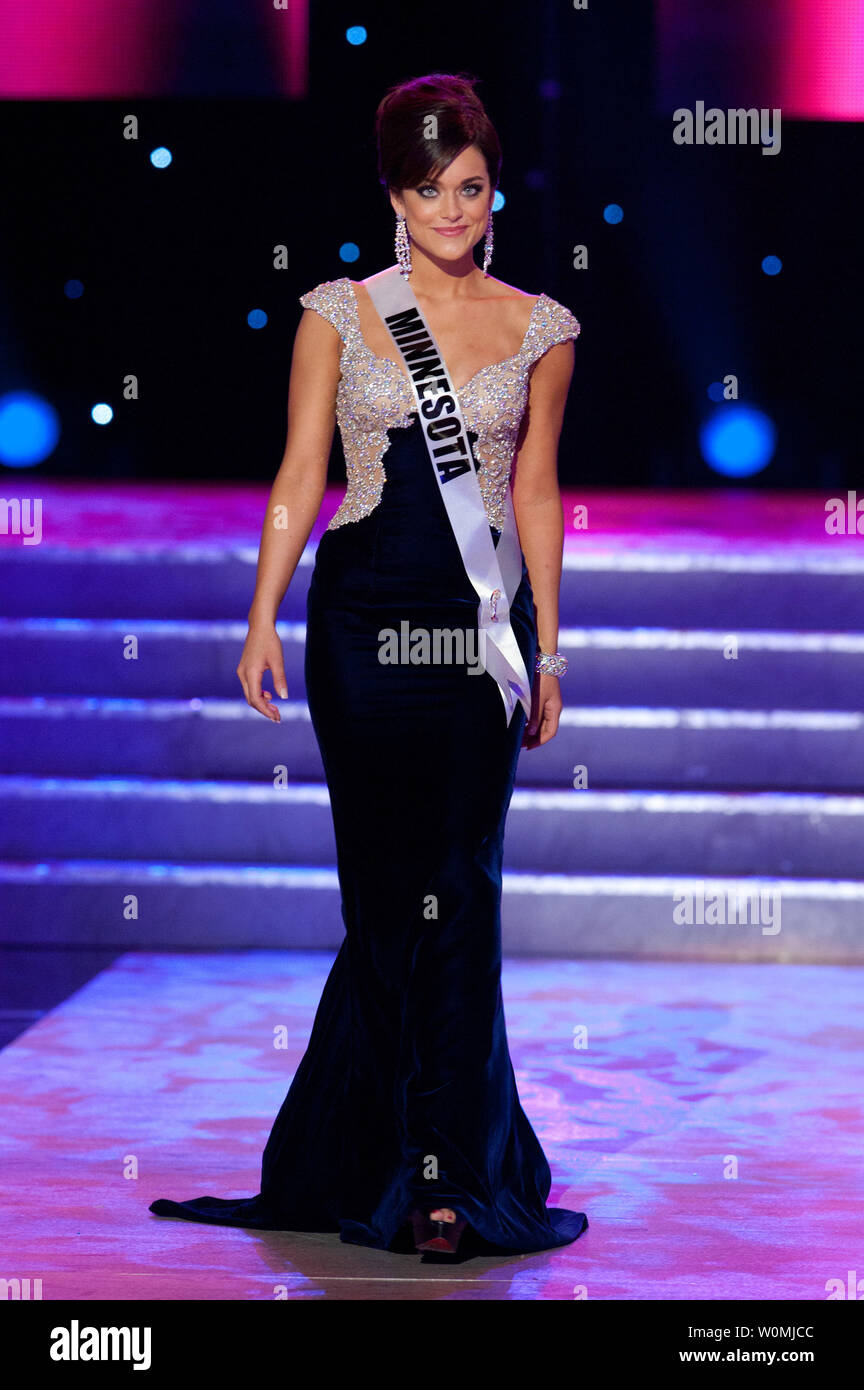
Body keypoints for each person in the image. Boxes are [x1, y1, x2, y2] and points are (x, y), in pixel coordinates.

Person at [149, 71, 588, 1259]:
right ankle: (372, 1148)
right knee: (390, 901)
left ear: (494, 190)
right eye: (427, 189)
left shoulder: (543, 327)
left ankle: (444, 1181)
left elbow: (534, 492)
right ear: (392, 194)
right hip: (362, 628)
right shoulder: (340, 312)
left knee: (463, 891)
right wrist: (259, 618)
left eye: (471, 187)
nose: (452, 210)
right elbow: (302, 476)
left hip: (472, 640)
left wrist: (547, 647)